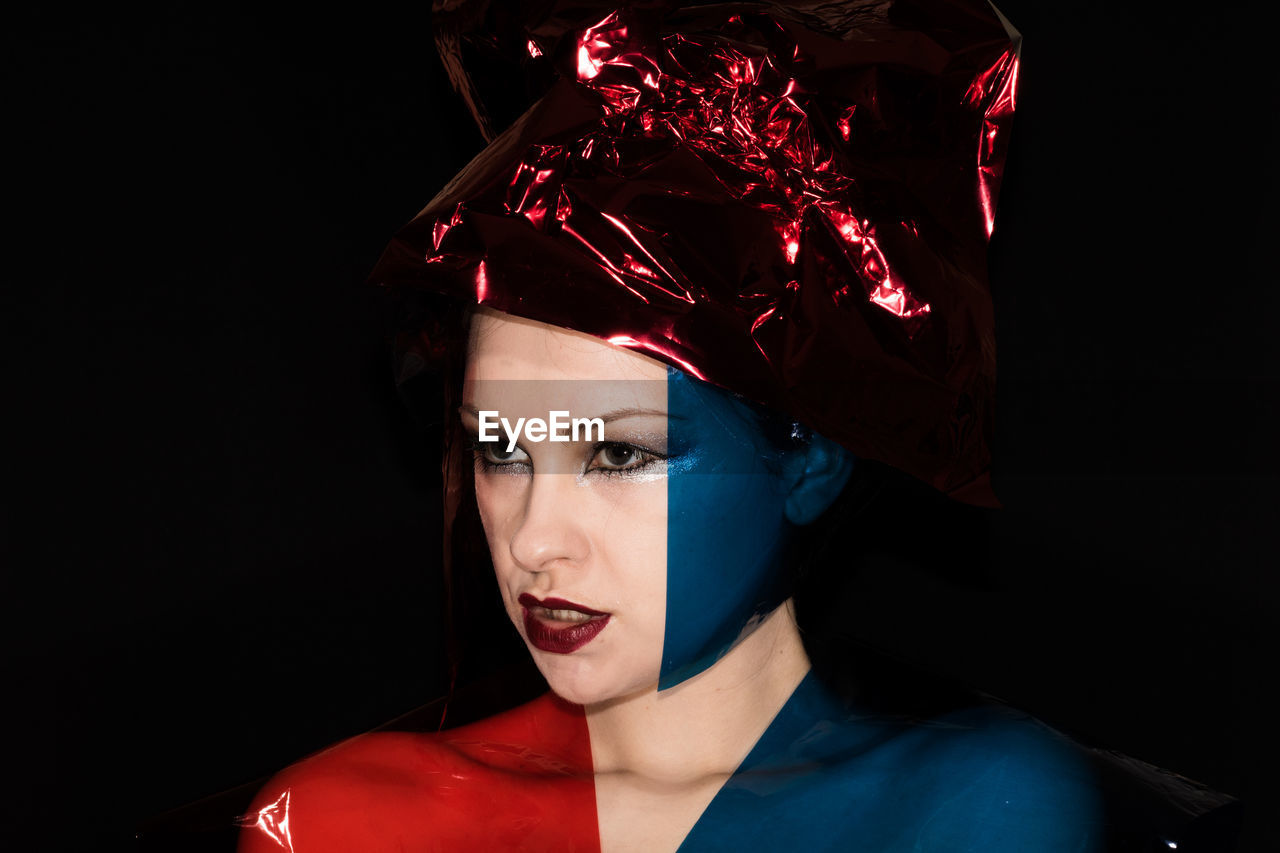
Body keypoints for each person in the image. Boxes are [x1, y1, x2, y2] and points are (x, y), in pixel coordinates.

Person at [238, 1, 1111, 850]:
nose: (535, 541)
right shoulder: (349, 820)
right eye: (500, 447)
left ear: (807, 458)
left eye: (617, 452)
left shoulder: (973, 808)